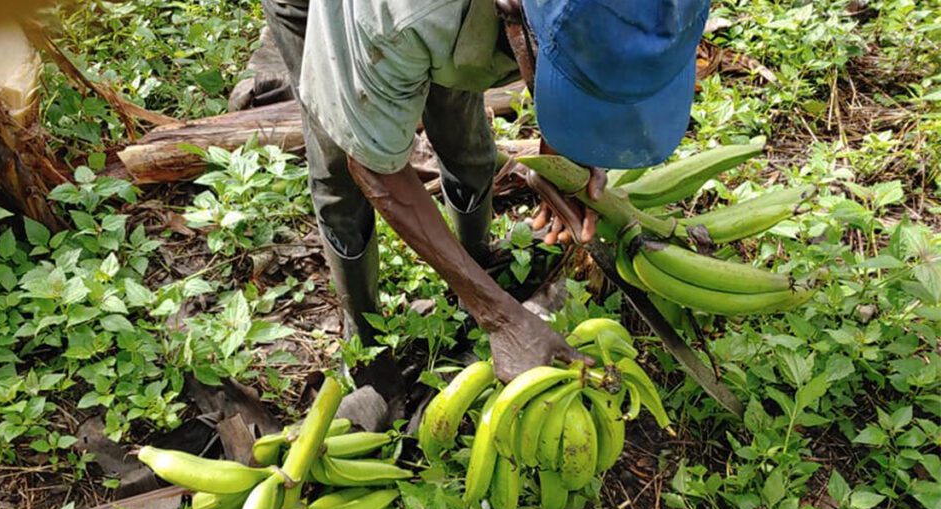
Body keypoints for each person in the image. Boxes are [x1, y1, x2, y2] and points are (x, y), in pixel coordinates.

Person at [261, 0, 709, 390]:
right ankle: (363, 334)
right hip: (339, 15)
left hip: (461, 22)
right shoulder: (397, 17)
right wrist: (500, 317)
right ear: (515, 22)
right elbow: (375, 171)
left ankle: (476, 262)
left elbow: (587, 40)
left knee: (463, 133)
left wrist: (572, 146)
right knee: (340, 166)